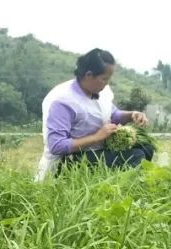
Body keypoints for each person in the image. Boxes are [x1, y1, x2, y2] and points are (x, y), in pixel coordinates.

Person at [35, 48, 154, 181]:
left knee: (146, 148)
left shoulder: (100, 91)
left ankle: (124, 185)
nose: (106, 83)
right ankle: (119, 191)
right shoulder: (63, 101)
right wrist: (97, 137)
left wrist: (131, 115)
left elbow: (112, 113)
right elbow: (57, 145)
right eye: (104, 79)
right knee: (136, 156)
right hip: (70, 160)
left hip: (96, 151)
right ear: (89, 75)